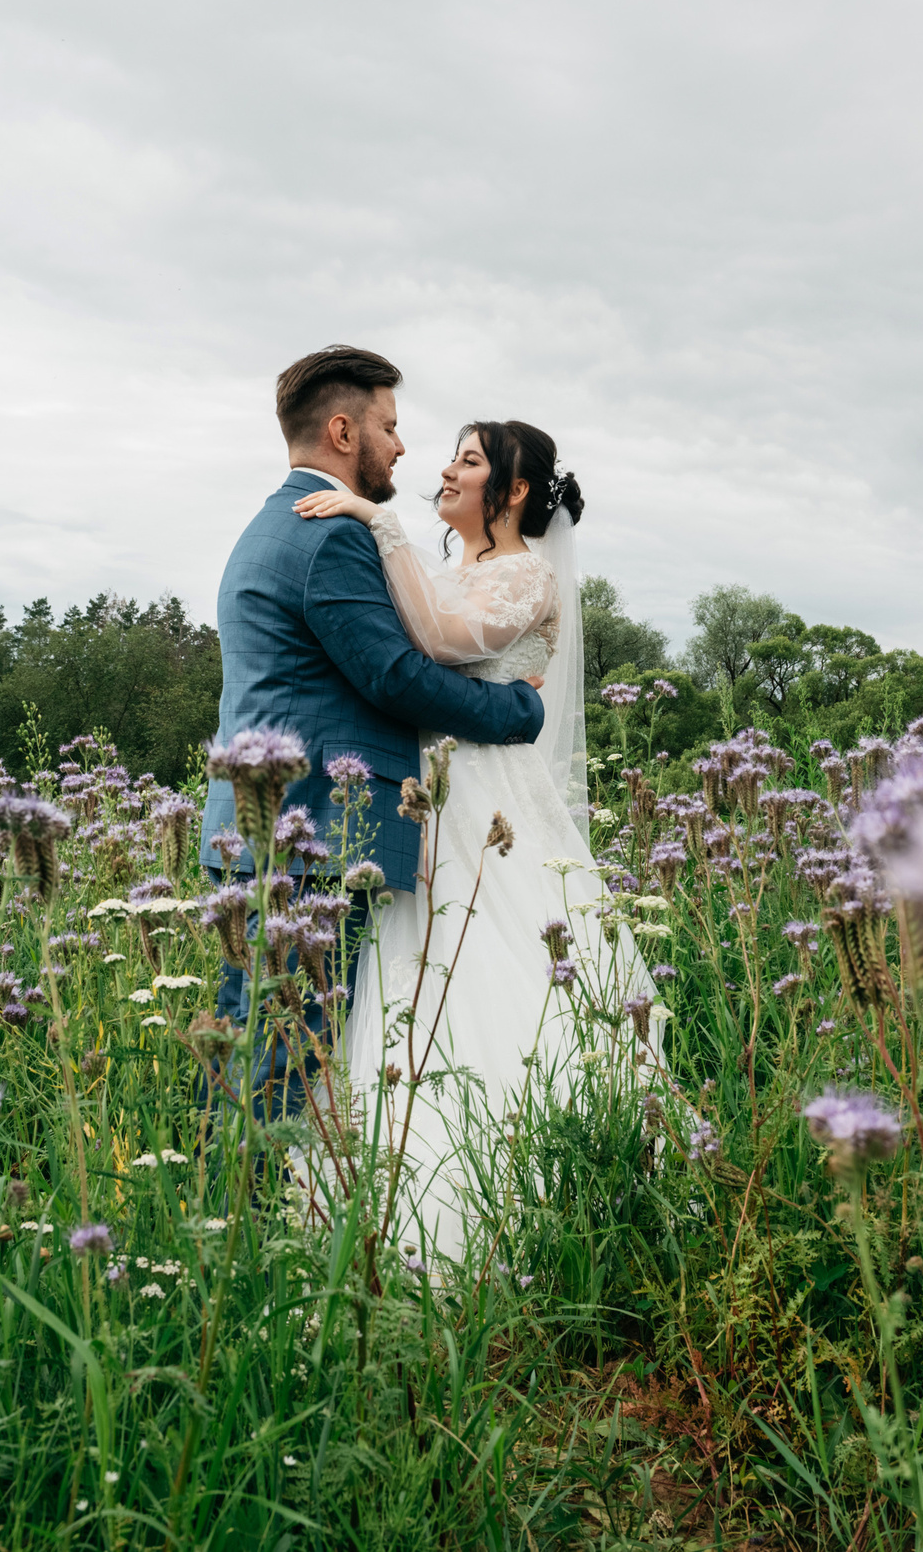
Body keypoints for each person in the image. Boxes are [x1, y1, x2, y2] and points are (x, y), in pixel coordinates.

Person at [294, 420, 649, 1262]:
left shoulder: (525, 575)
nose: (447, 469)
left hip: (486, 802)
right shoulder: (452, 568)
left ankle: (514, 1209)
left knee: (491, 966)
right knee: (406, 976)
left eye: (470, 458)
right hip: (423, 793)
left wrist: (376, 524)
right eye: (453, 455)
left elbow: (443, 643)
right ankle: (376, 1210)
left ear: (515, 491)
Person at [201, 347, 545, 1118]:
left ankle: (232, 1218)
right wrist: (519, 711)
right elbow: (392, 675)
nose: (401, 447)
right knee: (281, 1061)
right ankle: (245, 1228)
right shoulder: (330, 535)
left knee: (255, 1042)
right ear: (343, 430)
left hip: (266, 831)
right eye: (389, 427)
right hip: (312, 833)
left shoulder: (273, 524)